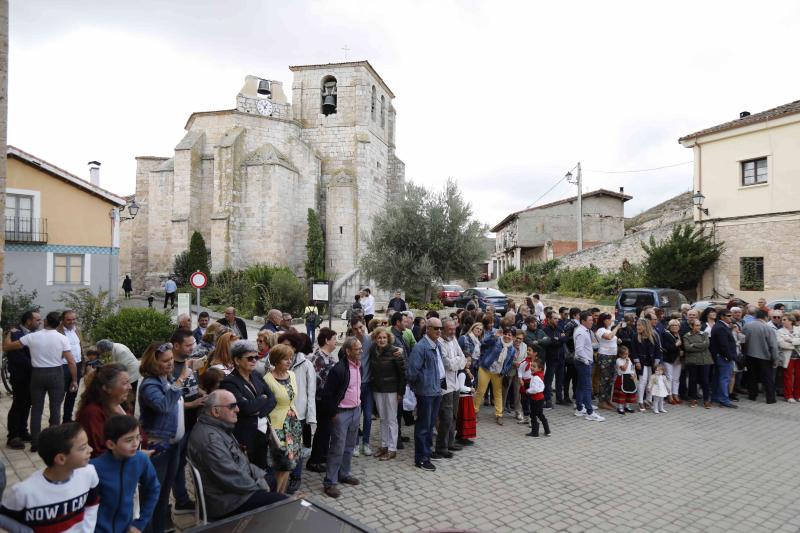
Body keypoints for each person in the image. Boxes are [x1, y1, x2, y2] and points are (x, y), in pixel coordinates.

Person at [187, 390, 288, 520]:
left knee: (271, 480)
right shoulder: (210, 440)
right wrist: (259, 486)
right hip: (224, 502)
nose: (238, 409)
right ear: (215, 411)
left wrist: (260, 476)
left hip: (229, 492)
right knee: (283, 503)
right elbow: (230, 476)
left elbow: (240, 463)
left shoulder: (217, 427)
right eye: (232, 406)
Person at [0, 423, 99, 532]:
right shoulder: (24, 492)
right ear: (61, 459)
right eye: (83, 447)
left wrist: (87, 530)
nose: (90, 449)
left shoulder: (89, 473)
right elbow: (3, 517)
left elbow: (92, 504)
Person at [4, 311, 77, 452]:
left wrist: (8, 334)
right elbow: (71, 361)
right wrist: (74, 380)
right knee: (55, 408)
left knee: (37, 409)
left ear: (45, 321)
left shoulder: (32, 336)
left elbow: (7, 347)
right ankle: (55, 442)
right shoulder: (62, 338)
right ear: (59, 323)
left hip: (37, 374)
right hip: (56, 373)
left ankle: (35, 443)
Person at [138, 341, 188, 533]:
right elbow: (163, 406)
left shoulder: (165, 379)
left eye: (171, 360)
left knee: (164, 496)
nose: (170, 364)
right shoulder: (150, 385)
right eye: (165, 361)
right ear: (153, 361)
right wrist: (180, 380)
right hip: (158, 448)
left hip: (172, 445)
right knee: (152, 497)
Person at [91, 415, 159, 533]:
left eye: (138, 437)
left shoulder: (141, 460)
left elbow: (154, 489)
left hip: (127, 528)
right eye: (129, 440)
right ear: (111, 444)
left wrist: (139, 523)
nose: (135, 444)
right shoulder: (94, 468)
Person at [221, 340, 276, 470]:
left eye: (256, 357)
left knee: (261, 470)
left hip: (262, 433)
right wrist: (262, 398)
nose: (254, 361)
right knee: (247, 472)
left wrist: (259, 412)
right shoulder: (229, 382)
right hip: (244, 436)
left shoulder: (256, 375)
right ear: (237, 360)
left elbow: (273, 399)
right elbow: (246, 408)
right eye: (250, 358)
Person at [319, 337, 363, 497]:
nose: (361, 351)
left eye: (360, 348)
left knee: (350, 446)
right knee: (337, 448)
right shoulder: (338, 369)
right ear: (348, 351)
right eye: (358, 349)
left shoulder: (359, 366)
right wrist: (333, 414)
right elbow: (327, 395)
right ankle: (330, 482)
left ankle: (343, 474)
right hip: (341, 413)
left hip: (356, 411)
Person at [170, 329, 206, 516]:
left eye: (193, 344)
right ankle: (181, 501)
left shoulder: (186, 363)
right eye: (188, 345)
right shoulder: (170, 368)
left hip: (193, 423)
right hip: (179, 426)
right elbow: (169, 401)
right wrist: (193, 404)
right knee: (178, 464)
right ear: (176, 346)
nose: (193, 348)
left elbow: (190, 386)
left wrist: (201, 393)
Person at [280, 332, 317, 494]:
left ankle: (296, 476)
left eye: (288, 345)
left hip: (299, 413)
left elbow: (311, 393)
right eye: (282, 345)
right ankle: (281, 474)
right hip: (281, 413)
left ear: (295, 347)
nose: (285, 348)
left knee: (297, 447)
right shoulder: (275, 363)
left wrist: (311, 417)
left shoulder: (306, 364)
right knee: (282, 446)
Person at [406, 317, 445, 471]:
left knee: (430, 426)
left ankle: (428, 452)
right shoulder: (420, 347)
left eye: (440, 328)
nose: (439, 331)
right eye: (436, 328)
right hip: (425, 392)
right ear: (428, 328)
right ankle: (421, 458)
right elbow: (412, 372)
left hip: (435, 390)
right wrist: (420, 386)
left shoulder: (436, 345)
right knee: (423, 426)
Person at [264, 344, 303, 494]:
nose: (289, 362)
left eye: (290, 358)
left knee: (290, 462)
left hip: (293, 422)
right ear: (276, 360)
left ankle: (282, 494)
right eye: (285, 359)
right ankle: (275, 496)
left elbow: (292, 398)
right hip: (277, 426)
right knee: (280, 464)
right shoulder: (267, 379)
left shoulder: (292, 375)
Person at [76, 363, 133, 457]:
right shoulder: (92, 413)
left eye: (129, 382)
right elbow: (97, 452)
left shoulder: (122, 406)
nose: (130, 387)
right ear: (107, 388)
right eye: (124, 383)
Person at [3, 310, 40, 450]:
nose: (40, 322)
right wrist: (37, 364)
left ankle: (23, 431)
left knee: (27, 404)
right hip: (20, 376)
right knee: (18, 404)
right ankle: (13, 436)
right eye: (37, 320)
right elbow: (17, 357)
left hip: (31, 376)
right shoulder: (15, 333)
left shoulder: (32, 334)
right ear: (28, 321)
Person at [370, 327, 405, 461]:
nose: (382, 340)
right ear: (375, 339)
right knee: (383, 418)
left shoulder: (395, 351)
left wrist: (401, 392)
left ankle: (392, 448)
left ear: (388, 339)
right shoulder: (373, 350)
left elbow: (403, 373)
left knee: (392, 419)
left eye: (384, 337)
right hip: (378, 389)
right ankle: (384, 446)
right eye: (379, 337)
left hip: (392, 390)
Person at [306, 328, 339, 472]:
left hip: (327, 400)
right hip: (321, 400)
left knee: (326, 431)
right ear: (327, 340)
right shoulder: (319, 357)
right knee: (322, 431)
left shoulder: (329, 357)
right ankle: (314, 461)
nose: (336, 341)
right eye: (334, 338)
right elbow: (317, 381)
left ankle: (322, 456)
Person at [436, 318, 465, 457]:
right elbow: (447, 364)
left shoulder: (454, 339)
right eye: (450, 329)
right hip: (445, 386)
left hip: (456, 384)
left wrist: (458, 362)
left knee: (454, 415)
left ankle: (450, 443)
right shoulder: (440, 343)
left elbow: (463, 359)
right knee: (446, 417)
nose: (453, 332)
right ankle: (441, 446)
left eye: (454, 329)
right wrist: (457, 362)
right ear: (443, 329)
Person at [743, 310, 780, 403]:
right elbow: (773, 346)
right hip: (764, 357)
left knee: (752, 376)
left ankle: (752, 395)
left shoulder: (747, 326)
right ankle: (770, 398)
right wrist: (775, 358)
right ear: (766, 317)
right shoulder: (768, 328)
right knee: (768, 378)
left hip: (750, 355)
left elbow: (743, 340)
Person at [95, 339, 141, 414]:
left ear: (105, 349)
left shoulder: (120, 351)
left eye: (102, 352)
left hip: (132, 373)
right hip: (127, 373)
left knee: (129, 395)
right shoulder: (113, 348)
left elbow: (120, 368)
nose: (102, 354)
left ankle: (129, 414)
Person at [573, 311, 604, 421]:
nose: (592, 321)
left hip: (583, 362)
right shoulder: (581, 332)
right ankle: (590, 412)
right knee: (587, 387)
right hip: (583, 363)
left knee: (581, 385)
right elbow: (579, 349)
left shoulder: (584, 330)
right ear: (583, 321)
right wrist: (586, 360)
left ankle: (579, 408)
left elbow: (585, 346)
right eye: (590, 320)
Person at [59, 310, 85, 423]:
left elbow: (81, 346)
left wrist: (84, 363)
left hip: (77, 365)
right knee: (59, 395)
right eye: (69, 320)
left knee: (72, 393)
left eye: (74, 319)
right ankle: (54, 421)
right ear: (63, 320)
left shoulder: (77, 330)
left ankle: (67, 419)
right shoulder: (58, 332)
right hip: (63, 366)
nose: (72, 322)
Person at [709, 310, 739, 408]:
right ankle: (724, 400)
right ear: (722, 317)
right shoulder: (721, 327)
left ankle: (716, 397)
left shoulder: (719, 326)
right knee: (724, 378)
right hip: (723, 357)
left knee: (718, 377)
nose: (731, 317)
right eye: (728, 315)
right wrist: (729, 357)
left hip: (719, 356)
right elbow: (724, 345)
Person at [594, 313, 623, 411]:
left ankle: (607, 399)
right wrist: (618, 327)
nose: (611, 321)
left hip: (613, 356)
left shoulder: (608, 329)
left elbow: (612, 338)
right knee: (604, 379)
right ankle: (601, 401)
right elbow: (609, 337)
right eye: (610, 319)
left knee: (611, 379)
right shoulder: (600, 330)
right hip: (605, 356)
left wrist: (617, 341)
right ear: (605, 320)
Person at [683, 319, 713, 408]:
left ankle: (706, 400)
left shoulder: (704, 334)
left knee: (705, 381)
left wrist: (694, 345)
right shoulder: (686, 336)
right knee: (693, 381)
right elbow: (687, 348)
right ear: (691, 326)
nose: (698, 327)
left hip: (705, 361)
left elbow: (706, 345)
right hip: (693, 361)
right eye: (696, 325)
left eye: (699, 325)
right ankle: (693, 399)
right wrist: (700, 345)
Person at [632, 318, 659, 412]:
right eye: (637, 325)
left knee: (651, 381)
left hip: (651, 363)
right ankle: (640, 401)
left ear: (645, 326)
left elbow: (657, 349)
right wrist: (637, 361)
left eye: (639, 325)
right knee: (642, 381)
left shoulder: (653, 335)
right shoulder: (636, 336)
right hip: (641, 363)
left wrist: (657, 361)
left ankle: (648, 400)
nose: (637, 327)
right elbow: (633, 350)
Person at [777, 314, 800, 402]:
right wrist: (795, 344)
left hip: (798, 356)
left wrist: (790, 340)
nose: (782, 321)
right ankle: (789, 396)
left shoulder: (798, 329)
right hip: (788, 357)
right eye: (782, 319)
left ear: (790, 321)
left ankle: (797, 395)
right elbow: (781, 344)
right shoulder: (780, 331)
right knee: (788, 377)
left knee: (798, 377)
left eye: (784, 319)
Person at [525, 359, 550, 437]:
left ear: (539, 369)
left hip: (535, 399)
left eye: (534, 366)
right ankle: (547, 430)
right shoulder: (541, 374)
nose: (531, 367)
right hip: (540, 399)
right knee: (540, 414)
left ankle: (535, 432)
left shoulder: (535, 377)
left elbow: (535, 389)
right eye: (531, 365)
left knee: (533, 415)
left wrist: (528, 391)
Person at [455, 355, 476, 446]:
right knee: (464, 418)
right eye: (467, 361)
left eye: (470, 361)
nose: (469, 363)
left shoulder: (467, 372)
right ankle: (462, 437)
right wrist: (470, 389)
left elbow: (471, 380)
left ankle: (462, 436)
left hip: (467, 398)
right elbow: (460, 387)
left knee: (466, 417)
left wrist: (470, 374)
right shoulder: (462, 373)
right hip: (464, 398)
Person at [660, 319, 683, 405]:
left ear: (679, 327)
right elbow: (666, 347)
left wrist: (682, 351)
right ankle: (669, 395)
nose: (674, 327)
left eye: (676, 325)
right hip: (668, 359)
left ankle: (675, 394)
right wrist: (676, 345)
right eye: (672, 325)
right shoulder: (666, 334)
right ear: (669, 326)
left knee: (676, 378)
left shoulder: (680, 335)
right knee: (669, 378)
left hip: (678, 359)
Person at [613, 346, 638, 414]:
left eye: (627, 353)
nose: (627, 355)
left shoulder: (629, 359)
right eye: (625, 354)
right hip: (622, 378)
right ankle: (620, 407)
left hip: (629, 377)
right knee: (622, 393)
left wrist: (634, 375)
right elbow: (623, 368)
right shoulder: (618, 360)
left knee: (629, 393)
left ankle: (627, 406)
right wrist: (627, 361)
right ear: (620, 354)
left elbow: (632, 367)